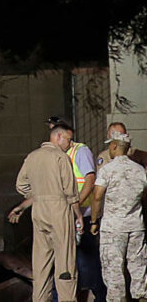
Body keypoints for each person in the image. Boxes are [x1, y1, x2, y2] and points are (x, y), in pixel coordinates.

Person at [14, 123, 83, 302]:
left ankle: (40, 298)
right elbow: (71, 191)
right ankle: (67, 299)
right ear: (58, 137)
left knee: (41, 262)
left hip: (39, 210)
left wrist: (37, 194)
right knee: (65, 260)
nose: (70, 143)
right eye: (68, 139)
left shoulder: (32, 157)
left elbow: (20, 185)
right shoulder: (61, 158)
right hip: (59, 209)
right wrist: (79, 215)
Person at [46, 117, 104, 302]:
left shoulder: (80, 151)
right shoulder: (55, 155)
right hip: (63, 216)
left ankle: (100, 296)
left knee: (86, 262)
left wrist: (77, 204)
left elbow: (89, 179)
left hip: (82, 216)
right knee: (65, 262)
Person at [90, 130, 147, 302]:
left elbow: (98, 196)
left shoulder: (108, 170)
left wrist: (93, 221)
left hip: (113, 228)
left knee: (113, 268)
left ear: (114, 147)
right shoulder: (139, 170)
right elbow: (143, 194)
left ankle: (117, 299)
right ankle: (142, 296)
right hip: (136, 225)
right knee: (138, 266)